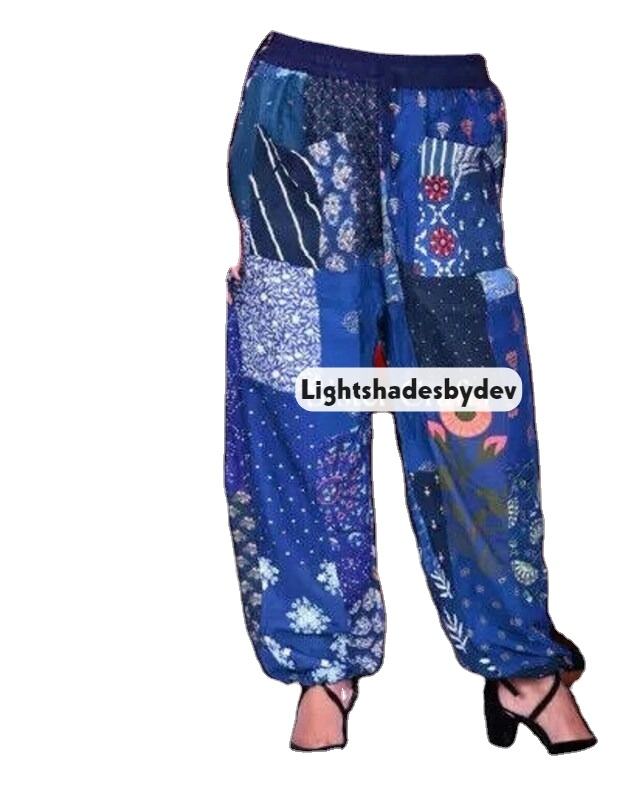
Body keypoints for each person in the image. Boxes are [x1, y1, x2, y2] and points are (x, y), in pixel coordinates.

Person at [225, 32, 596, 754]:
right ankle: (322, 667)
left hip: (449, 104)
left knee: (473, 410)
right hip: (300, 93)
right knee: (301, 406)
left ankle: (519, 663)